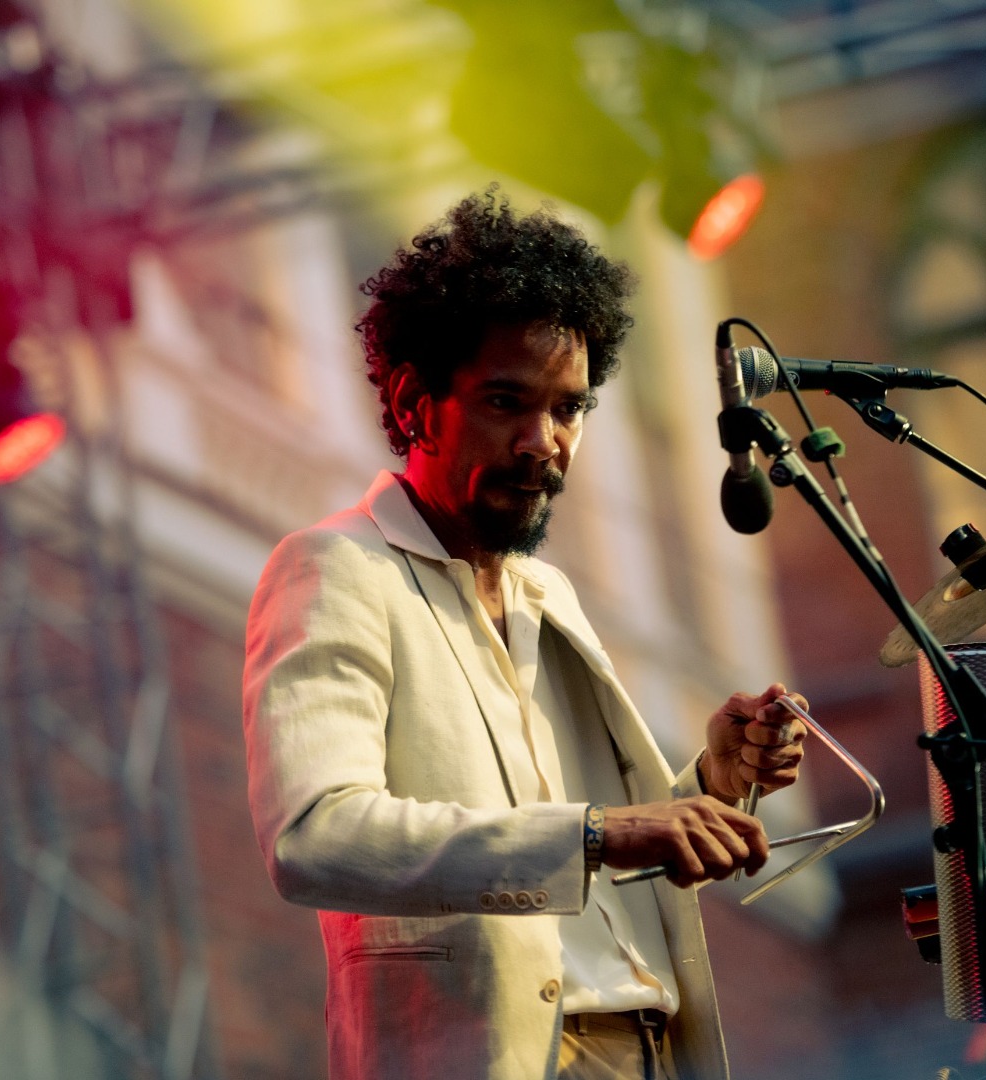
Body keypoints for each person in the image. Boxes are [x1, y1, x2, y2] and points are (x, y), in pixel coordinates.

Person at [243, 189, 808, 1080]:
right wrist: (601, 833)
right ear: (415, 401)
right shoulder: (336, 568)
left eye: (569, 409)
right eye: (507, 401)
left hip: (656, 1050)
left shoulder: (548, 593)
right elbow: (314, 836)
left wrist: (712, 782)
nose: (544, 442)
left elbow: (591, 856)